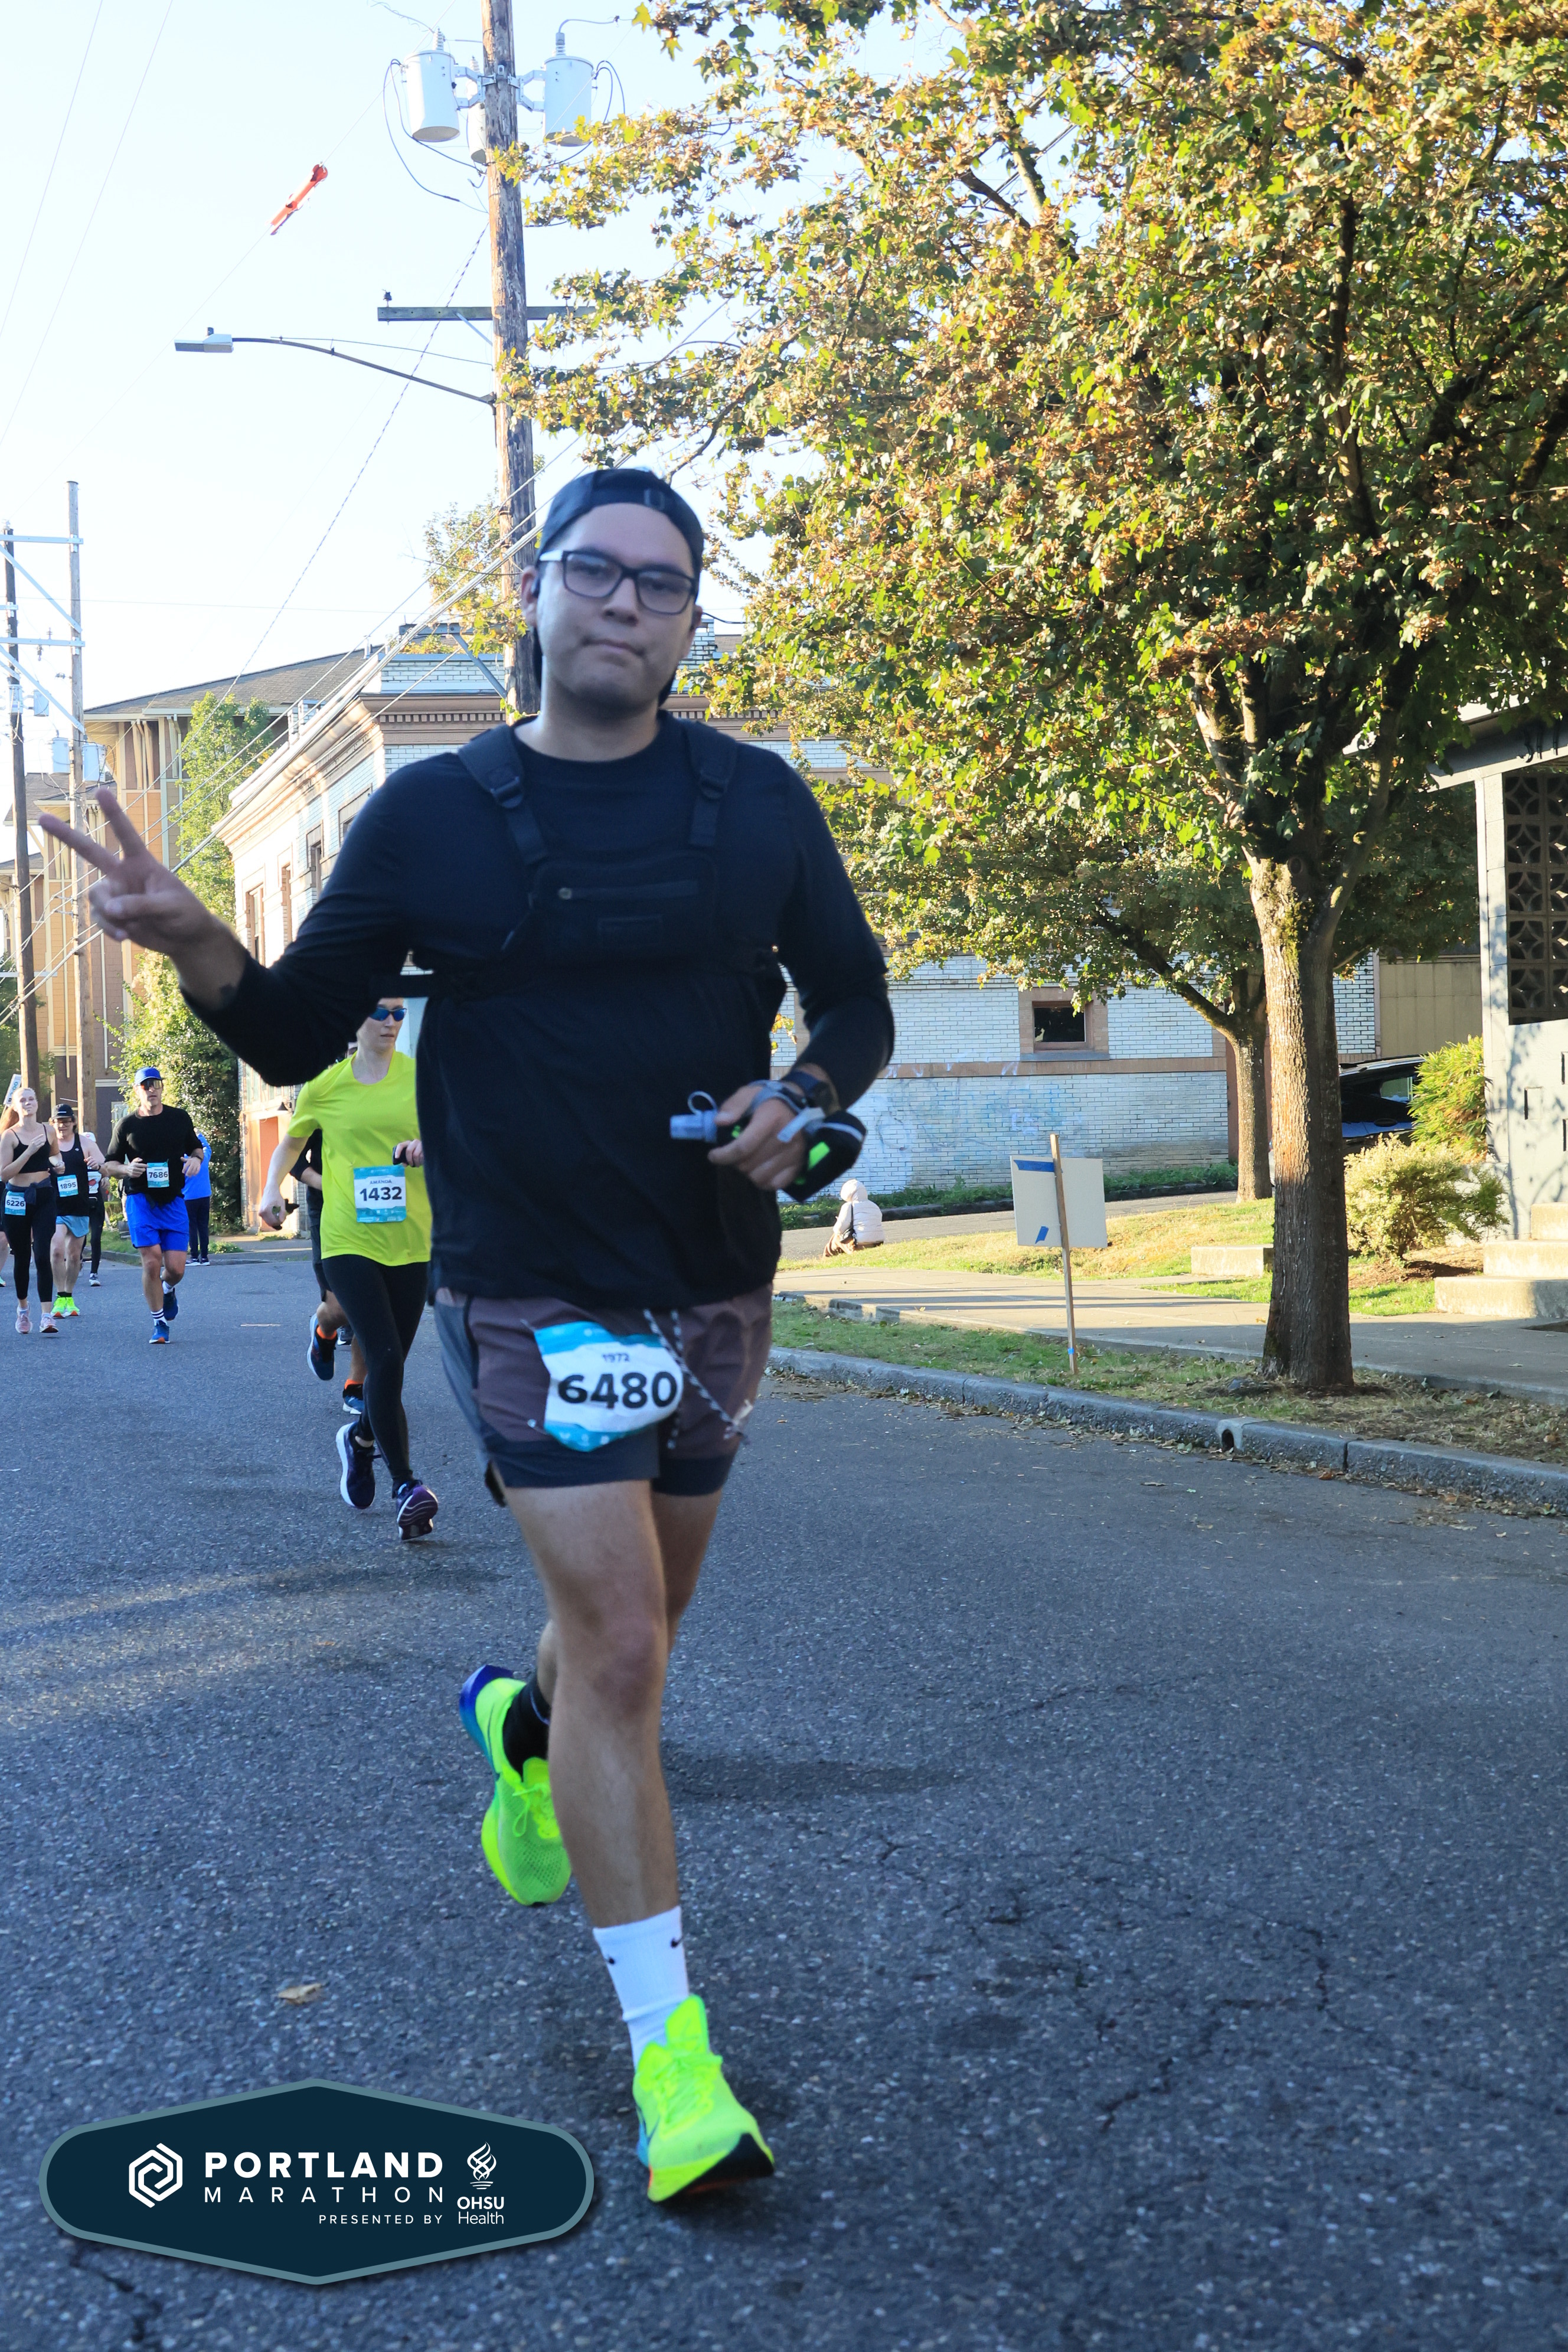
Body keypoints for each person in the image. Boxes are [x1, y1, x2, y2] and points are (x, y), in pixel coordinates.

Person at [41, 465, 894, 2207]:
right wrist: (196, 934)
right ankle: (674, 2063)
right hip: (525, 1276)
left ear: (690, 618)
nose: (627, 602)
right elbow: (292, 1032)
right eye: (598, 569)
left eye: (663, 582)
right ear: (542, 590)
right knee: (630, 1648)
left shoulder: (755, 803)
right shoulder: (435, 813)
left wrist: (802, 1091)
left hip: (712, 1276)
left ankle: (519, 1731)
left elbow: (859, 1000)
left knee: (626, 1635)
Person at [255, 1001, 436, 1536]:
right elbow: (290, 1146)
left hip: (410, 1241)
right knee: (383, 1354)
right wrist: (270, 1190)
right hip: (348, 1239)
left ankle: (360, 1442)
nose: (392, 1022)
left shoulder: (424, 1080)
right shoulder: (325, 1087)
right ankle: (407, 1486)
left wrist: (429, 1146)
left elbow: (459, 1138)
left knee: (391, 1367)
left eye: (400, 1013)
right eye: (380, 1011)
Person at [256, 1121, 367, 1416]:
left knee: (372, 1301)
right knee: (341, 1308)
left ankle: (356, 1387)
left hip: (378, 1206)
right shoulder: (323, 1095)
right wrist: (328, 1184)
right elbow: (294, 1158)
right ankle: (324, 1328)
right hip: (331, 1208)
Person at [102, 1067, 203, 1344]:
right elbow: (109, 1165)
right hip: (140, 1199)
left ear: (161, 1087)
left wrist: (196, 1160)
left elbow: (196, 1148)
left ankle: (167, 1288)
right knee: (151, 1260)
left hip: (173, 1200)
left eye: (155, 1084)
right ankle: (159, 1323)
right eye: (145, 1085)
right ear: (137, 1090)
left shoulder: (179, 1118)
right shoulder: (126, 1125)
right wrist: (126, 1169)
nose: (151, 1090)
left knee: (177, 1269)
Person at [1, 1086, 64, 1334]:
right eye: (23, 1100)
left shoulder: (49, 1131)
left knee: (42, 1253)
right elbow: (4, 1174)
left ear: (38, 1103)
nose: (28, 1103)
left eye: (31, 1099)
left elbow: (56, 1156)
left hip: (44, 1196)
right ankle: (23, 1309)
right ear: (16, 1107)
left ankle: (47, 1316)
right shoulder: (10, 1136)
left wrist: (58, 1165)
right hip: (17, 1197)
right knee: (22, 1257)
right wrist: (28, 1151)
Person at [47, 1103, 105, 1315]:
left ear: (73, 1122)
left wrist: (98, 1167)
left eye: (66, 1121)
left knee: (73, 1256)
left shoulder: (84, 1143)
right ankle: (59, 1295)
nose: (62, 1126)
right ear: (53, 1124)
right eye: (58, 1122)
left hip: (79, 1207)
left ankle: (68, 1297)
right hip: (55, 1207)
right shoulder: (48, 1144)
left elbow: (105, 1164)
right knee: (57, 1251)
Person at [822, 1175, 884, 1257]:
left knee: (836, 1237)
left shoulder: (849, 1206)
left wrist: (839, 1221)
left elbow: (839, 1230)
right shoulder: (874, 1206)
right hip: (877, 1244)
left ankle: (826, 1258)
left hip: (858, 1246)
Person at [184, 1127, 213, 1262]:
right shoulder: (204, 1158)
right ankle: (205, 1257)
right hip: (205, 1196)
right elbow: (207, 1148)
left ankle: (194, 1257)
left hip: (189, 1197)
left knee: (192, 1227)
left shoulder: (184, 1160)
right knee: (203, 1227)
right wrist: (199, 1135)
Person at [84, 1147, 106, 1285]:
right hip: (81, 1204)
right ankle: (77, 1261)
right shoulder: (75, 1160)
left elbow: (108, 1170)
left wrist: (106, 1178)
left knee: (96, 1238)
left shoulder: (99, 1161)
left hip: (97, 1204)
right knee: (80, 1239)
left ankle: (94, 1273)